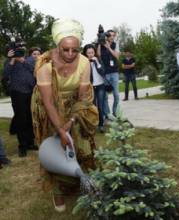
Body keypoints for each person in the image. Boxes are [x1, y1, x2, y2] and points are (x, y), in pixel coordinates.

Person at [31, 19, 98, 211]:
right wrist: (60, 129)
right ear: (57, 45)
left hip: (74, 105)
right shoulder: (44, 65)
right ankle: (58, 191)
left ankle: (81, 180)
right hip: (49, 105)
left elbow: (83, 97)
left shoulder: (85, 63)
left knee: (81, 142)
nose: (70, 54)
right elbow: (48, 102)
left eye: (75, 50)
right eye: (65, 49)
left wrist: (71, 121)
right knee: (56, 146)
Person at [3, 43, 36, 157]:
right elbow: (5, 76)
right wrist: (11, 60)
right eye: (16, 50)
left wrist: (23, 61)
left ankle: (31, 143)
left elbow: (35, 70)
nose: (18, 52)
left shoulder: (30, 60)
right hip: (17, 93)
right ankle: (22, 146)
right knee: (21, 119)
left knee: (30, 117)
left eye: (20, 50)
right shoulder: (9, 62)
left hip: (30, 92)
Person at [83, 44, 106, 133]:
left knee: (100, 106)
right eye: (88, 53)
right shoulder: (84, 63)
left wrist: (97, 62)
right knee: (92, 107)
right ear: (85, 54)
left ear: (94, 52)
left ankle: (101, 125)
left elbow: (103, 72)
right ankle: (92, 124)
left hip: (100, 86)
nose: (91, 54)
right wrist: (88, 63)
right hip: (90, 87)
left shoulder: (99, 60)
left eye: (92, 52)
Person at [98, 29, 120, 116]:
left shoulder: (116, 44)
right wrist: (100, 42)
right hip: (105, 73)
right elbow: (98, 55)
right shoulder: (102, 45)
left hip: (114, 72)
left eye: (113, 35)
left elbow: (117, 56)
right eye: (109, 35)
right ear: (106, 36)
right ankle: (108, 114)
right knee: (105, 96)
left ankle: (115, 112)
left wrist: (109, 48)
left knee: (116, 95)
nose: (111, 37)